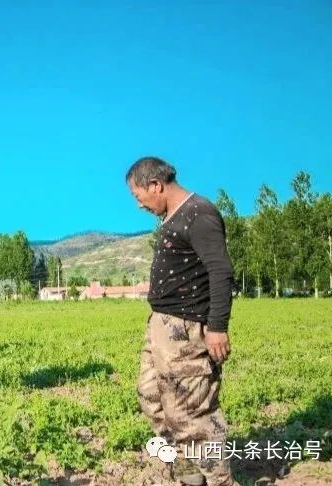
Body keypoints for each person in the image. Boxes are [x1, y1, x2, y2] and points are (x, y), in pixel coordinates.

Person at [127, 156, 235, 486]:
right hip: (162, 326)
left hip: (188, 329)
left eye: (138, 196)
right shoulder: (174, 216)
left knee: (192, 413)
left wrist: (217, 327)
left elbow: (220, 271)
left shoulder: (199, 213)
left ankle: (219, 480)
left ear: (155, 185)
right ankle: (189, 469)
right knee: (150, 394)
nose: (139, 204)